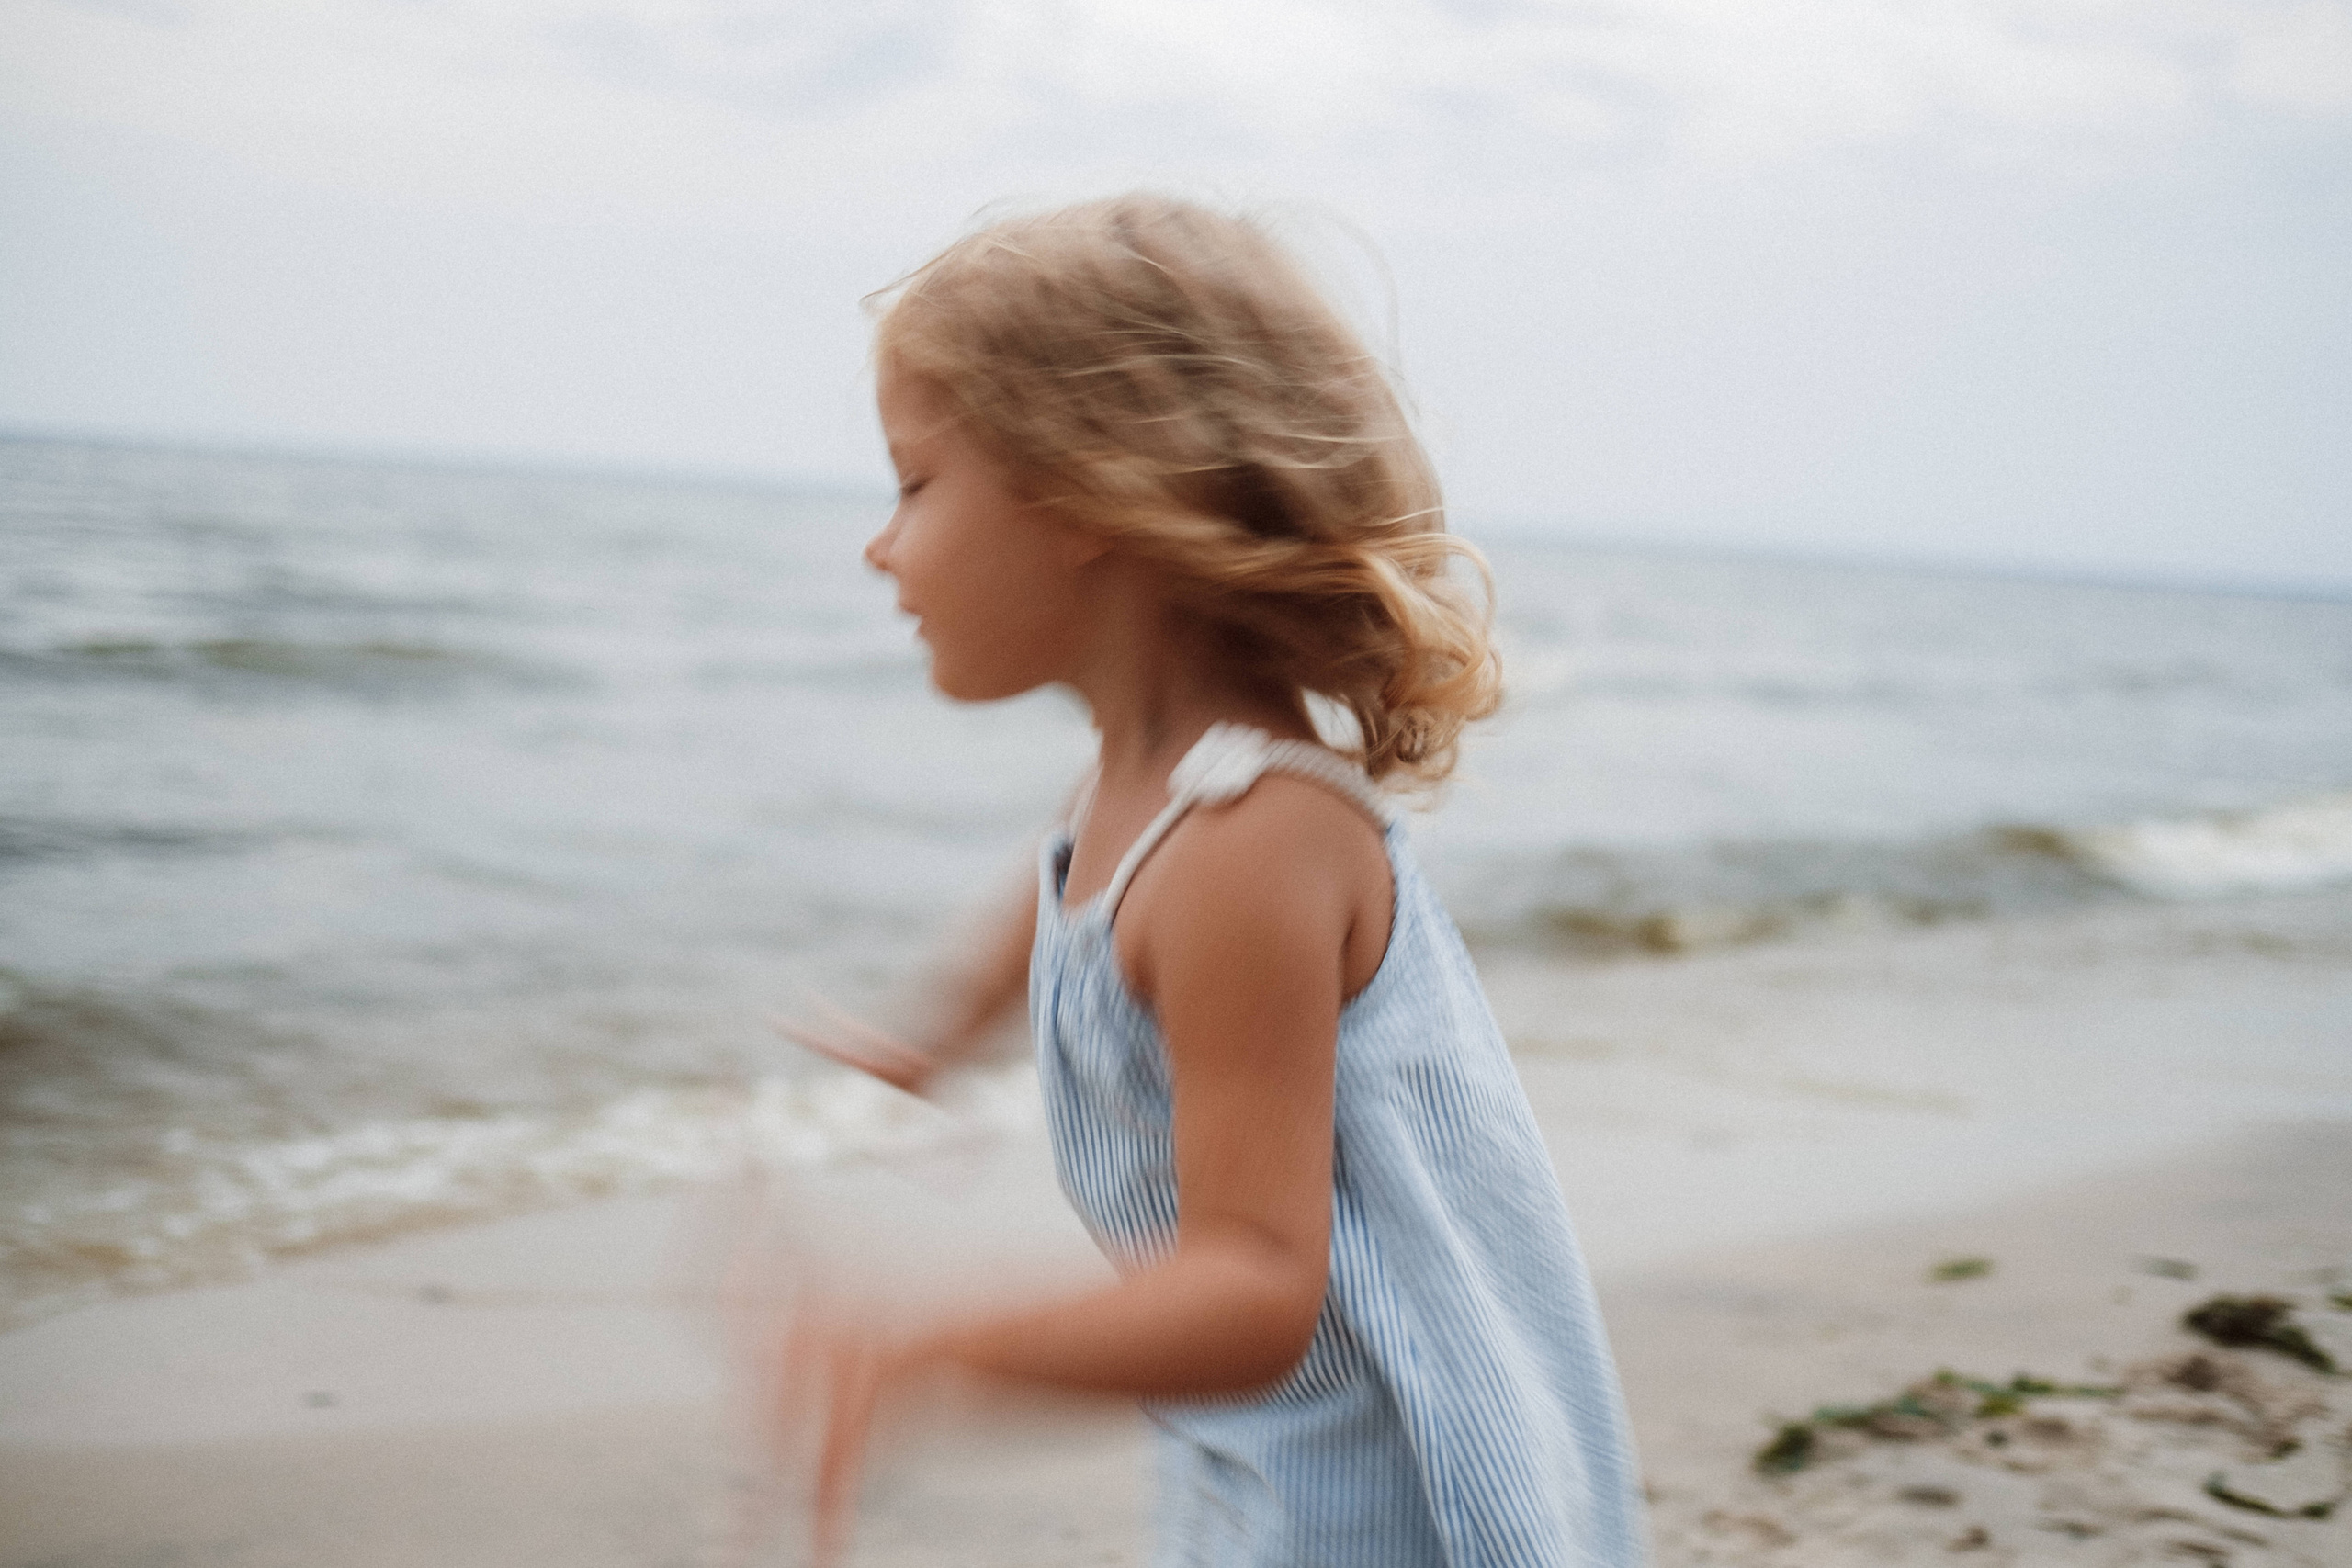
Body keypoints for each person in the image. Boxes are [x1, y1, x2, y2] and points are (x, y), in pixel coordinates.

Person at [773, 194, 1647, 1568]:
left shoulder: (1250, 847)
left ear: (1081, 494)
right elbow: (1060, 894)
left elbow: (1256, 1286)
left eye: (915, 483)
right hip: (1271, 1452)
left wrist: (936, 1346)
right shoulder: (1142, 793)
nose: (882, 544)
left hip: (1389, 1493)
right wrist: (934, 1040)